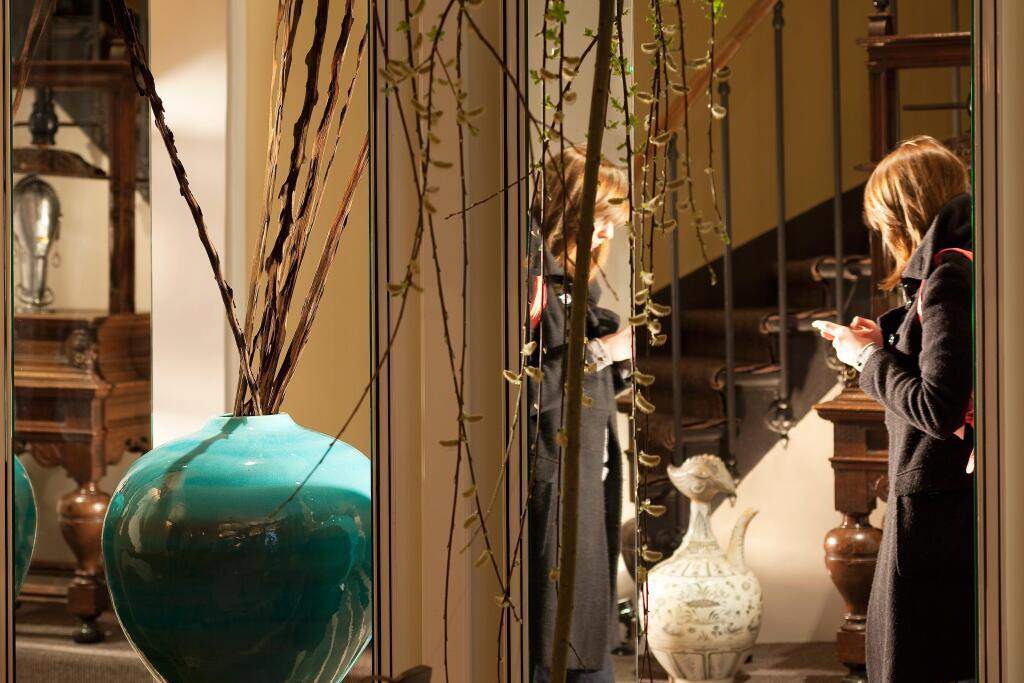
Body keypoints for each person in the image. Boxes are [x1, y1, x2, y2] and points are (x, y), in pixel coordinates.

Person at [812, 136, 975, 682]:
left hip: (934, 505)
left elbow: (937, 406)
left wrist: (865, 358)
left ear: (903, 214)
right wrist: (885, 341)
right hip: (944, 498)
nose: (884, 237)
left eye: (884, 222)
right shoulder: (964, 263)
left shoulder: (947, 276)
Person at [527, 146, 632, 683]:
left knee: (583, 639)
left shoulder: (574, 282)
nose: (608, 233)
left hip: (582, 475)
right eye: (601, 218)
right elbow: (525, 388)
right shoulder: (532, 276)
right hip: (553, 479)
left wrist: (612, 357)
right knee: (559, 643)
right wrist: (603, 352)